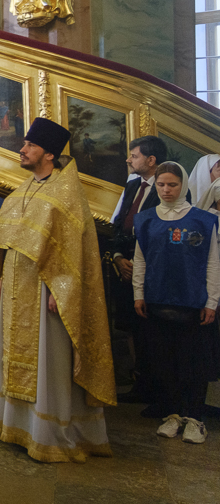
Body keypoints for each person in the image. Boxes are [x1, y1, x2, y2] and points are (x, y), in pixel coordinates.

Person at [0, 117, 115, 463]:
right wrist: (0, 278)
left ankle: (51, 432)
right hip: (15, 289)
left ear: (49, 154)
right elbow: (8, 241)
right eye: (24, 144)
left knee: (49, 362)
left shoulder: (65, 194)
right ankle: (17, 426)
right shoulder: (23, 191)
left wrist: (64, 290)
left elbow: (74, 253)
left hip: (47, 292)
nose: (22, 150)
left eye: (29, 146)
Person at [132, 161, 220, 444]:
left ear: (184, 185)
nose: (166, 190)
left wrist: (212, 301)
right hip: (158, 298)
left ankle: (194, 418)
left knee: (193, 362)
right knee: (164, 361)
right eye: (161, 185)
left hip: (193, 301)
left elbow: (212, 263)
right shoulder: (146, 219)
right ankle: (172, 414)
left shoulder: (203, 221)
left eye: (173, 184)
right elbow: (141, 260)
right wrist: (138, 294)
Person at [109, 135, 168, 405]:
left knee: (151, 331)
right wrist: (119, 258)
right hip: (126, 267)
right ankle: (140, 382)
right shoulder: (133, 186)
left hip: (151, 272)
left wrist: (139, 263)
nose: (128, 159)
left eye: (134, 156)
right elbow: (120, 224)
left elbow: (161, 234)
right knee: (132, 327)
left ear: (151, 160)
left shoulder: (168, 188)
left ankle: (155, 387)